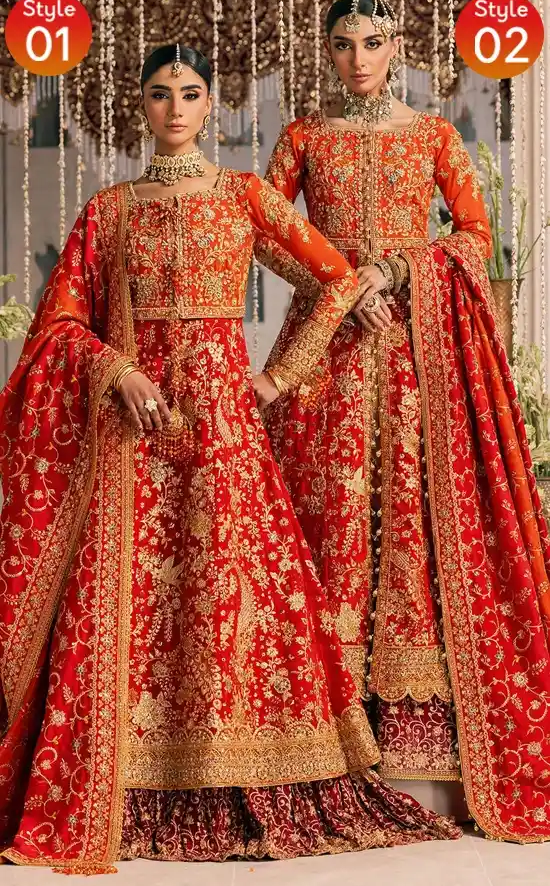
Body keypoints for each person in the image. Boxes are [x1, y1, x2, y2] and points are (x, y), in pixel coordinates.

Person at [0, 44, 460, 873]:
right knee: (135, 597)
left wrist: (278, 379)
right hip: (135, 431)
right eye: (159, 93)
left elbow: (337, 280)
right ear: (141, 106)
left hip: (225, 429)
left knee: (230, 588)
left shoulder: (244, 195)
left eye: (190, 93)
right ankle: (124, 789)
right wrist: (117, 369)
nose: (175, 108)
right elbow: (59, 325)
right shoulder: (108, 211)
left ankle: (241, 778)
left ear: (210, 103)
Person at [257, 0, 550, 843]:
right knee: (320, 512)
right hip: (324, 349)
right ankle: (323, 729)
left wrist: (396, 270)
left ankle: (422, 746)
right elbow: (265, 233)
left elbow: (474, 236)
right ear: (326, 52)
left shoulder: (434, 136)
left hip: (414, 350)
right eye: (342, 44)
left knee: (416, 516)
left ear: (397, 49)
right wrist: (343, 287)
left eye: (372, 43)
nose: (357, 59)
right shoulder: (302, 137)